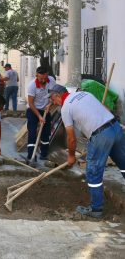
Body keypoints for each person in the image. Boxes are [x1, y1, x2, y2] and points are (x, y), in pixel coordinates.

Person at [49, 84, 125, 218]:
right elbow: (103, 109)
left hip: (101, 134)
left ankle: (96, 209)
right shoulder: (84, 94)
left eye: (53, 99)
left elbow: (71, 139)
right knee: (123, 162)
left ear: (58, 96)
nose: (53, 103)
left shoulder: (66, 108)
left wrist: (71, 156)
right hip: (115, 127)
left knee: (93, 171)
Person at [26, 66, 56, 161]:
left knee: (46, 132)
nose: (43, 80)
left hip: (46, 110)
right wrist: (39, 116)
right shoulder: (32, 86)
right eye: (41, 78)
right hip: (33, 109)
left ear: (48, 75)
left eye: (45, 77)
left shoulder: (51, 80)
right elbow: (30, 103)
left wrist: (50, 104)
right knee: (32, 132)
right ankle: (31, 155)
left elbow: (54, 94)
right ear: (36, 76)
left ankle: (44, 154)